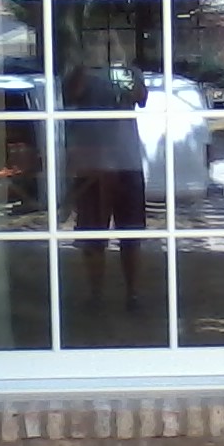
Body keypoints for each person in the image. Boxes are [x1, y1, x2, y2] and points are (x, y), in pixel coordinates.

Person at [61, 59, 149, 310]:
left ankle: (133, 295)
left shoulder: (129, 71)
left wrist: (124, 66)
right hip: (92, 164)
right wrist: (84, 64)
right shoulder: (79, 70)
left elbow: (141, 97)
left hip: (127, 163)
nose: (103, 46)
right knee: (92, 235)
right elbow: (71, 94)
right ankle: (95, 295)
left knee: (131, 234)